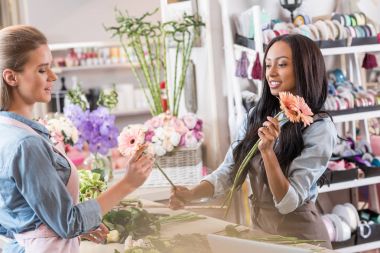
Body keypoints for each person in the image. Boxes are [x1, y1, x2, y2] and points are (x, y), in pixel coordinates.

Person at [169, 34, 337, 249]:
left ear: (305, 68)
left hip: (302, 238)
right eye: (268, 65)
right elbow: (229, 171)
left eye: (282, 64)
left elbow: (288, 203)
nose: (271, 73)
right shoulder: (256, 116)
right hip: (262, 232)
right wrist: (192, 194)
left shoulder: (318, 127)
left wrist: (268, 153)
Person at [0, 25, 154, 253]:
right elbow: (67, 222)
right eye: (42, 70)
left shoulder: (7, 131)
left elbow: (13, 219)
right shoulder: (27, 144)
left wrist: (64, 228)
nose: (53, 76)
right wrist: (128, 183)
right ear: (11, 77)